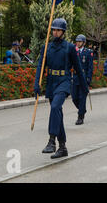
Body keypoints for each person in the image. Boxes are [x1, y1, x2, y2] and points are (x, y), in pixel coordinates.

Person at [34, 18, 88, 159]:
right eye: (54, 29)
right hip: (51, 82)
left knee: (55, 107)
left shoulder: (69, 47)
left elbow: (78, 67)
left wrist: (84, 86)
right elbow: (40, 66)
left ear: (63, 32)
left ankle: (51, 140)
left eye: (58, 30)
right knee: (57, 113)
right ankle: (62, 146)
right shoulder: (47, 47)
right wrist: (36, 84)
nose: (55, 32)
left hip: (64, 81)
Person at [71, 34, 93, 125]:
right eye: (77, 41)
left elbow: (90, 67)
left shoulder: (88, 52)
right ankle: (82, 109)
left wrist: (88, 79)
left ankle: (80, 117)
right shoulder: (73, 51)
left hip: (83, 77)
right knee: (74, 98)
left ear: (84, 43)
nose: (78, 43)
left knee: (82, 98)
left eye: (79, 41)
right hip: (75, 77)